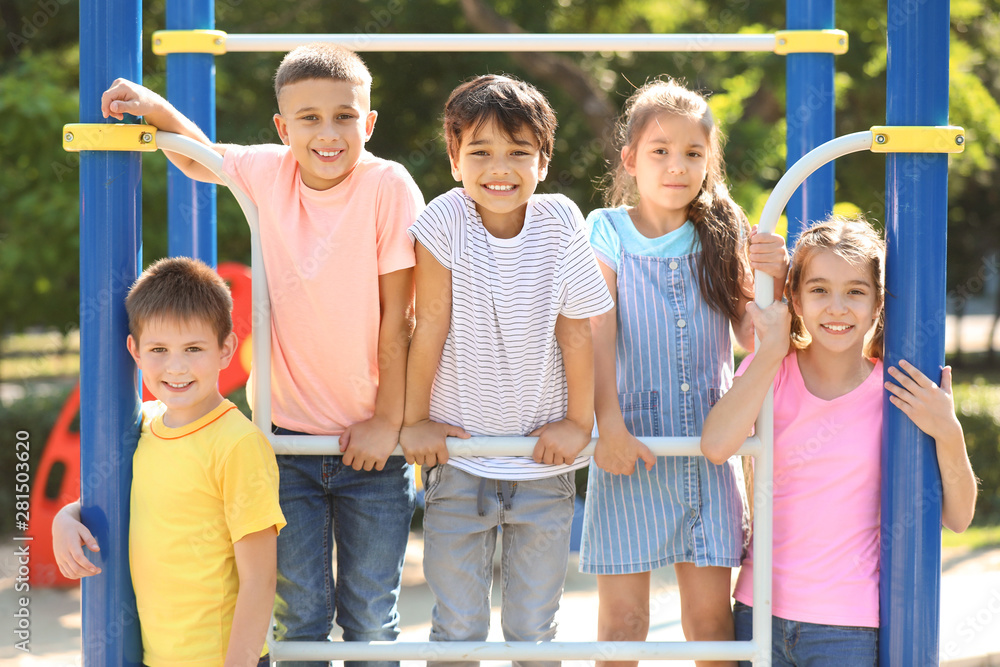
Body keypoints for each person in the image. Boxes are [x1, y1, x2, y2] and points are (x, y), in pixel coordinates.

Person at [98, 44, 424, 667]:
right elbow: (198, 157)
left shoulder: (387, 186)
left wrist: (388, 420)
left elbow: (400, 319)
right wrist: (155, 106)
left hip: (373, 445)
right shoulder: (268, 173)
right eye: (308, 118)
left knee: (369, 614)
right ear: (282, 127)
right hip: (288, 442)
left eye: (344, 117)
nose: (328, 133)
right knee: (300, 614)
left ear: (369, 122)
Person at [399, 74, 614, 667]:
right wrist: (415, 420)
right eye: (481, 152)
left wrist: (578, 421)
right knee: (458, 624)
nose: (501, 167)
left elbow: (576, 327)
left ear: (543, 162)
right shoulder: (444, 220)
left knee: (532, 626)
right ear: (454, 158)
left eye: (519, 152)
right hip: (462, 450)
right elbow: (431, 323)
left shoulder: (560, 220)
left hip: (541, 451)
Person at [701, 215, 978, 666]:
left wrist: (949, 432)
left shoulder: (895, 390)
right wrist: (769, 351)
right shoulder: (773, 370)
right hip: (760, 611)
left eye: (855, 291)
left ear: (877, 305)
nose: (837, 307)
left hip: (846, 626)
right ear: (795, 297)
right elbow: (716, 445)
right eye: (819, 290)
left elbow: (960, 515)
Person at [578, 77, 789, 667]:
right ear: (630, 159)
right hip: (630, 441)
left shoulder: (721, 232)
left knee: (709, 623)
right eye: (660, 151)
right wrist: (609, 427)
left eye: (693, 153)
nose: (677, 166)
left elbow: (752, 335)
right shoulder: (606, 230)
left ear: (709, 161)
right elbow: (596, 333)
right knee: (623, 622)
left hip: (707, 445)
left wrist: (777, 274)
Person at [53, 257, 286, 667]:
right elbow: (114, 495)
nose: (175, 366)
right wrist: (65, 518)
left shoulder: (237, 445)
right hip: (154, 657)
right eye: (159, 349)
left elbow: (259, 578)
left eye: (193, 349)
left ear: (225, 349)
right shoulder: (140, 423)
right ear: (135, 351)